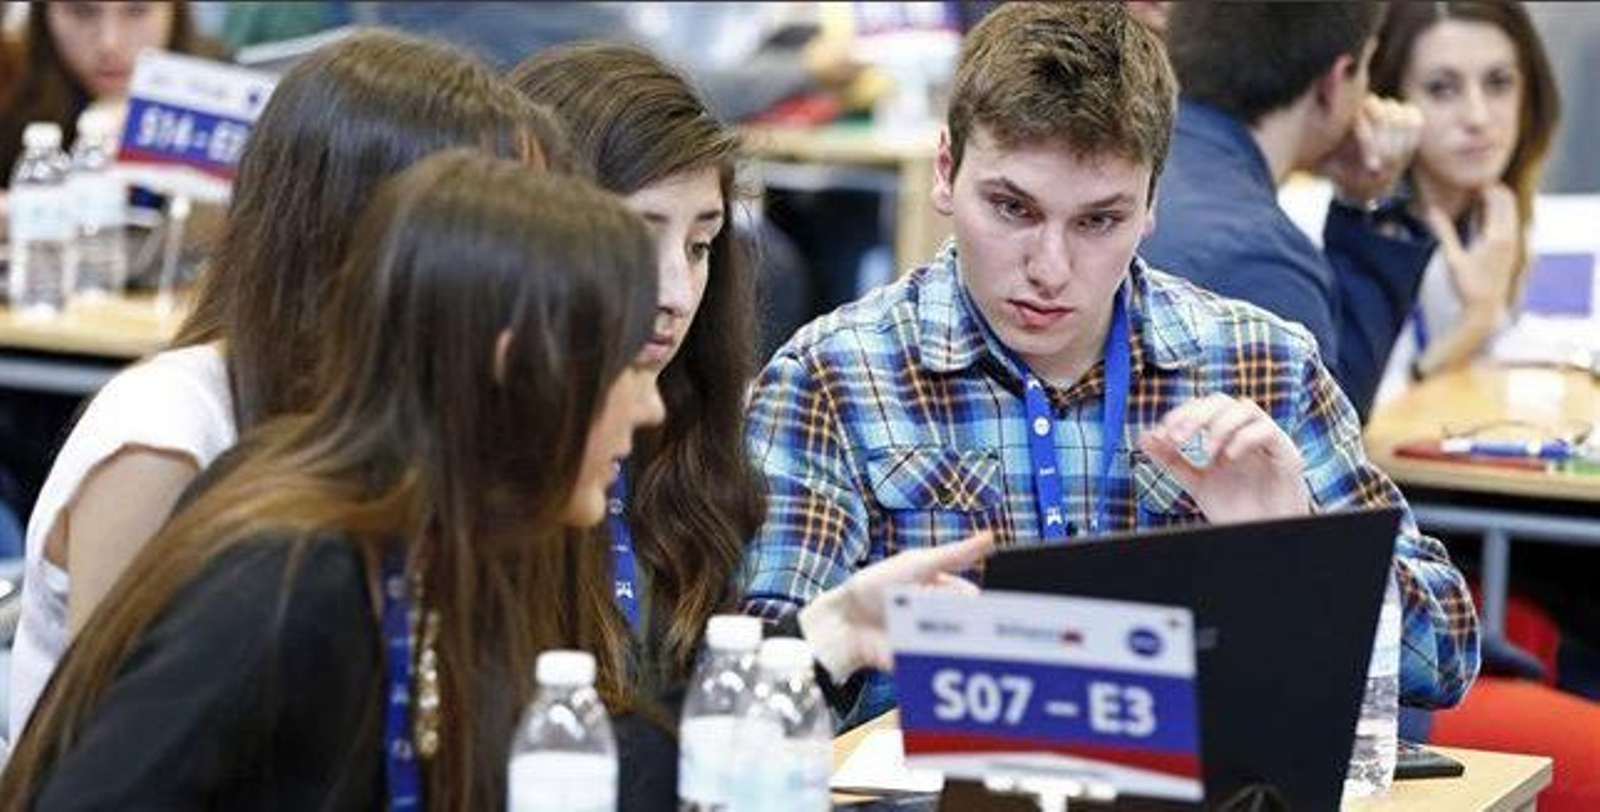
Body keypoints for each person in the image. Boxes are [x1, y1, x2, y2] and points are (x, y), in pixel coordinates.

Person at [742, 2, 1479, 723]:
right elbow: (762, 693)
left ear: (1152, 203)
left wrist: (1299, 541)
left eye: (1099, 220)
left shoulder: (1258, 361)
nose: (1050, 268)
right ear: (946, 170)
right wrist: (847, 646)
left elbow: (1446, 654)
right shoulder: (832, 377)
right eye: (1012, 208)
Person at [0, 151, 668, 810]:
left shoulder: (444, 540)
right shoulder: (295, 573)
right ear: (517, 368)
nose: (651, 407)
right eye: (626, 370)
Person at [7, 30, 551, 740]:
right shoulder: (165, 435)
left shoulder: (401, 410)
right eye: (487, 232)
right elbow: (119, 760)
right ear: (371, 232)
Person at [510, 41, 994, 713]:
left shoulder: (703, 449)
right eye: (638, 236)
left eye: (699, 245)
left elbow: (687, 745)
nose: (677, 290)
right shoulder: (475, 475)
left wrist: (834, 635)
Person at [1140, 2, 1432, 422]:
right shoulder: (1265, 261)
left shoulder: (1123, 168)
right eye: (1367, 66)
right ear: (1333, 84)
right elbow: (1325, 456)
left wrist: (1357, 202)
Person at [1369, 1, 1561, 399]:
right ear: (1389, 101)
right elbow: (1354, 431)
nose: (1477, 117)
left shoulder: (1498, 211)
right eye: (1442, 88)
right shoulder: (1356, 229)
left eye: (1498, 82)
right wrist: (1475, 322)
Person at [0, 1, 225, 181]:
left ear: (175, 11)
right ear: (43, 14)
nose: (110, 43)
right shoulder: (10, 87)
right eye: (82, 11)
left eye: (137, 10)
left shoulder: (228, 90)